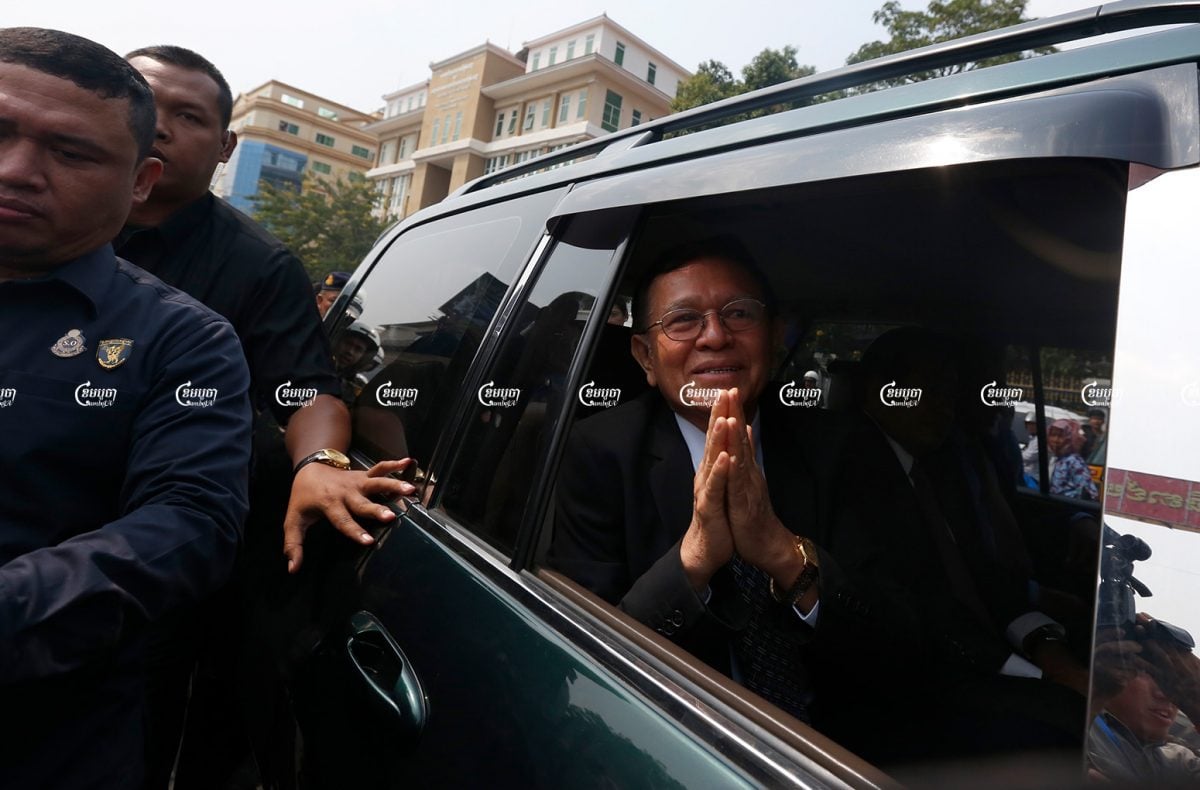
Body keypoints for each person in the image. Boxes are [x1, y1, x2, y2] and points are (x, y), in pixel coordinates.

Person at [115, 46, 414, 788]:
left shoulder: (256, 265)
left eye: (189, 116)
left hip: (162, 569)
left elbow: (304, 393)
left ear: (225, 148)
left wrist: (318, 464)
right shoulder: (39, 227)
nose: (160, 128)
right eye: (147, 105)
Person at [0, 28, 252, 788]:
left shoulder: (185, 340)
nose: (17, 172)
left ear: (140, 181)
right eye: (0, 133)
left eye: (71, 154)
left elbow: (191, 520)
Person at [551, 239, 889, 742]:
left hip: (842, 745)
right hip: (670, 737)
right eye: (683, 320)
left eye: (738, 314)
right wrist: (696, 554)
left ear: (774, 337)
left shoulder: (842, 446)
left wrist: (782, 553)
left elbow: (897, 634)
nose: (715, 336)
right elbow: (588, 657)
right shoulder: (600, 452)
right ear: (645, 355)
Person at [1047, 418, 1098, 499]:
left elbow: (1089, 494)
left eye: (1060, 436)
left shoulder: (1074, 461)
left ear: (1070, 438)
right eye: (1053, 435)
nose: (1055, 440)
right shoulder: (1056, 459)